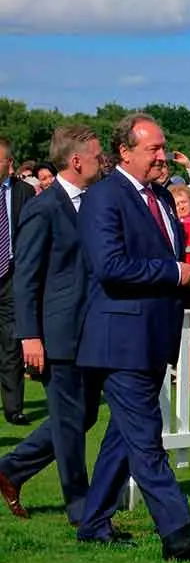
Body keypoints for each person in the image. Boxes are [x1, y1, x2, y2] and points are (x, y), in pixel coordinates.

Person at [75, 113, 190, 559]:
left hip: (152, 334)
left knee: (125, 435)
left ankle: (93, 522)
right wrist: (172, 272)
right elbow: (110, 267)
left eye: (163, 147)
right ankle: (178, 529)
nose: (162, 156)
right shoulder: (104, 198)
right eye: (153, 148)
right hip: (120, 337)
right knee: (146, 434)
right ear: (125, 152)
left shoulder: (163, 199)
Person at [0, 126, 103, 523]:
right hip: (55, 334)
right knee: (69, 423)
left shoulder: (93, 202)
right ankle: (82, 508)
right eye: (96, 155)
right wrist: (30, 336)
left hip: (88, 331)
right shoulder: (43, 208)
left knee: (82, 416)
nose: (102, 161)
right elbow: (25, 277)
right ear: (76, 160)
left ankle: (11, 468)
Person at [0, 137, 36, 425]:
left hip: (13, 276)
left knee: (11, 343)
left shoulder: (25, 192)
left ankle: (13, 408)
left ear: (9, 163)